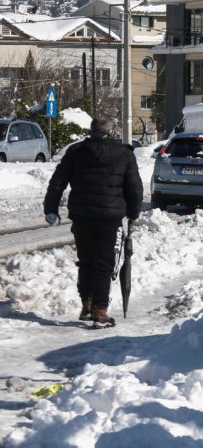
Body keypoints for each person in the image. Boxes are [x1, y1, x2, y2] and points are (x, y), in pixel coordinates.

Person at [43, 115, 143, 328]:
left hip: (82, 216)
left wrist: (50, 209)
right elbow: (134, 188)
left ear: (91, 132)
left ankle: (87, 305)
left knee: (86, 260)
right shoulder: (124, 154)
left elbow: (57, 182)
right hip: (110, 217)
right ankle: (100, 310)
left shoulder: (76, 152)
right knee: (104, 263)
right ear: (112, 131)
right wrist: (133, 212)